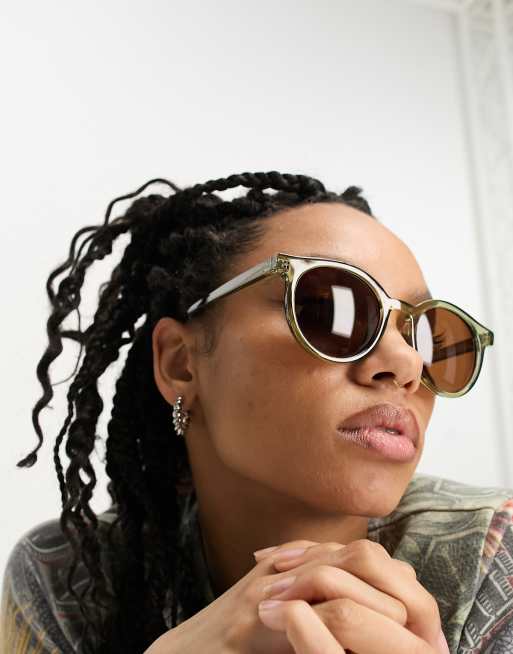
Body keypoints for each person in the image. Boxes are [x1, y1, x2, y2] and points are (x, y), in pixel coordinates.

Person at [1, 171, 511, 654]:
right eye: (331, 310)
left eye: (427, 336)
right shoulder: (69, 579)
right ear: (181, 364)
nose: (406, 364)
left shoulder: (494, 559)